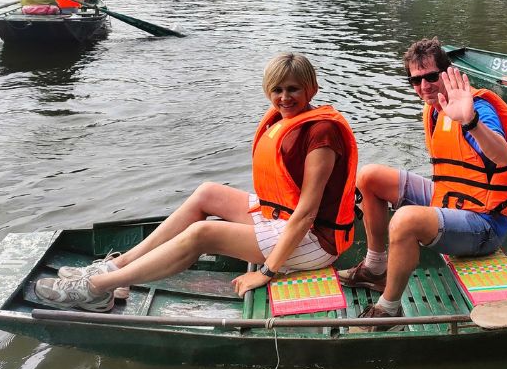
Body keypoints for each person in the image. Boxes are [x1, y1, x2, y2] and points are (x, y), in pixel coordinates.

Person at [34, 53, 359, 311]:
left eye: (293, 89)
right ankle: (117, 268)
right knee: (207, 193)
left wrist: (265, 272)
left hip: (314, 242)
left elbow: (306, 215)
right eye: (277, 89)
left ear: (311, 89)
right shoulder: (285, 121)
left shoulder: (322, 135)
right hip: (282, 219)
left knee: (203, 233)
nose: (285, 97)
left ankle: (95, 290)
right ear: (267, 91)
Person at [338, 38, 507, 330]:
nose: (424, 87)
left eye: (431, 77)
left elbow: (502, 155)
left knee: (405, 221)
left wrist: (470, 121)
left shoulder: (477, 110)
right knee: (369, 176)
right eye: (416, 80)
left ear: (447, 74)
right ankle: (375, 268)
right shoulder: (435, 109)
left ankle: (389, 310)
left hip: (486, 225)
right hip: (451, 200)